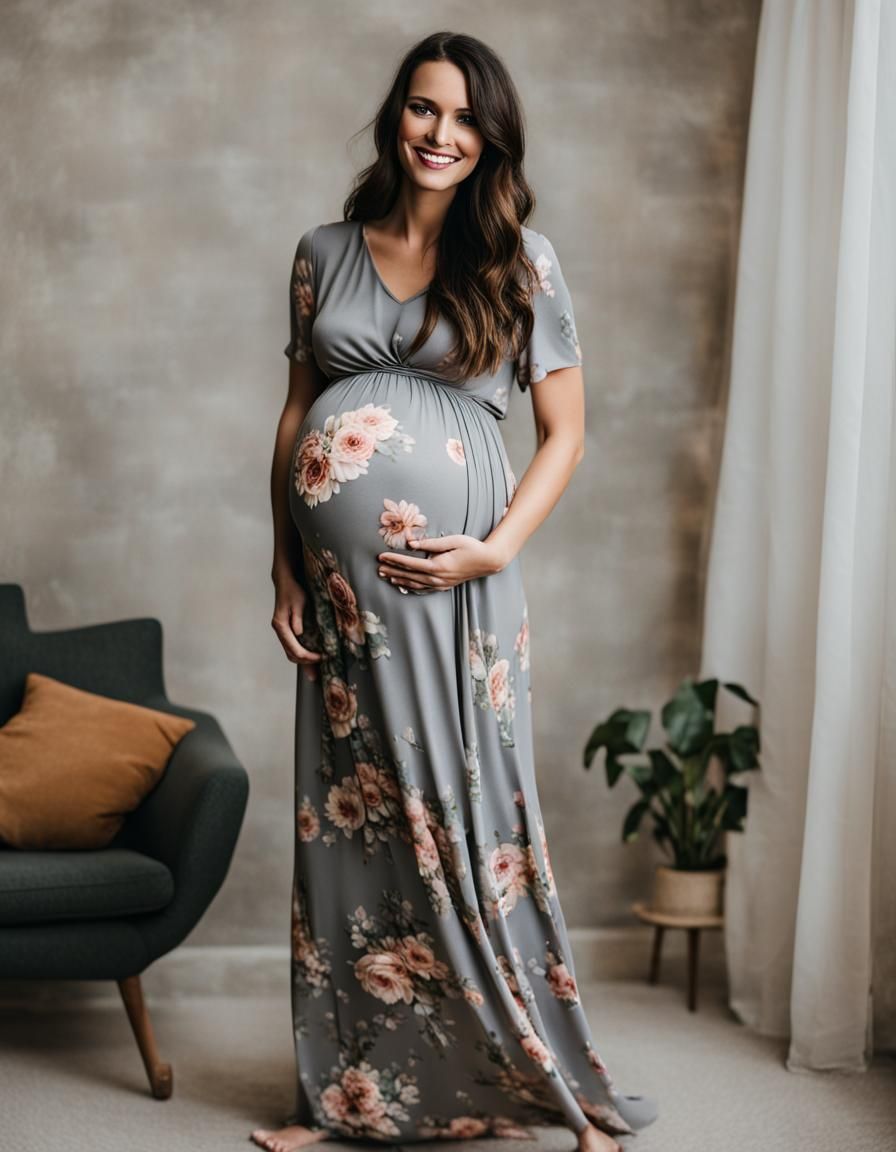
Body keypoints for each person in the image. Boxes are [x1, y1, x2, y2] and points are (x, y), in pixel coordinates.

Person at [252, 30, 658, 1152]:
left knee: (469, 822)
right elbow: (296, 416)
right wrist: (283, 561)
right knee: (352, 827)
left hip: (457, 589)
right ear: (397, 115)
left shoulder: (520, 260)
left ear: (492, 138)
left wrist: (495, 549)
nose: (441, 134)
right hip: (343, 602)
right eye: (424, 109)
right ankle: (351, 1098)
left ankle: (550, 1085)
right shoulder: (322, 251)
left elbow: (565, 434)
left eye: (466, 118)